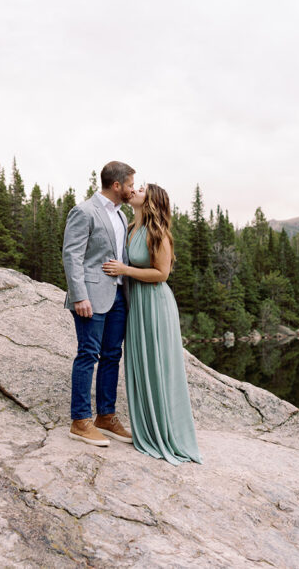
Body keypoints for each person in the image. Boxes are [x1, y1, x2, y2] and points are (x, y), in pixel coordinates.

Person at [101, 184, 202, 465]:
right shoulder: (131, 226)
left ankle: (166, 432)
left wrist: (125, 270)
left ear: (152, 200)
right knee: (141, 364)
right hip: (136, 304)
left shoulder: (158, 233)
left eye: (142, 189)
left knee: (158, 366)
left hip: (155, 305)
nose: (135, 190)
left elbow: (162, 274)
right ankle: (147, 426)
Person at [61, 161, 136, 447]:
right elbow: (72, 255)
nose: (132, 190)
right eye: (129, 185)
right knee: (88, 354)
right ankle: (80, 421)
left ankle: (105, 417)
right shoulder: (84, 211)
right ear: (116, 185)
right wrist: (79, 296)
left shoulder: (120, 215)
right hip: (91, 296)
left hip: (118, 296)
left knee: (112, 356)